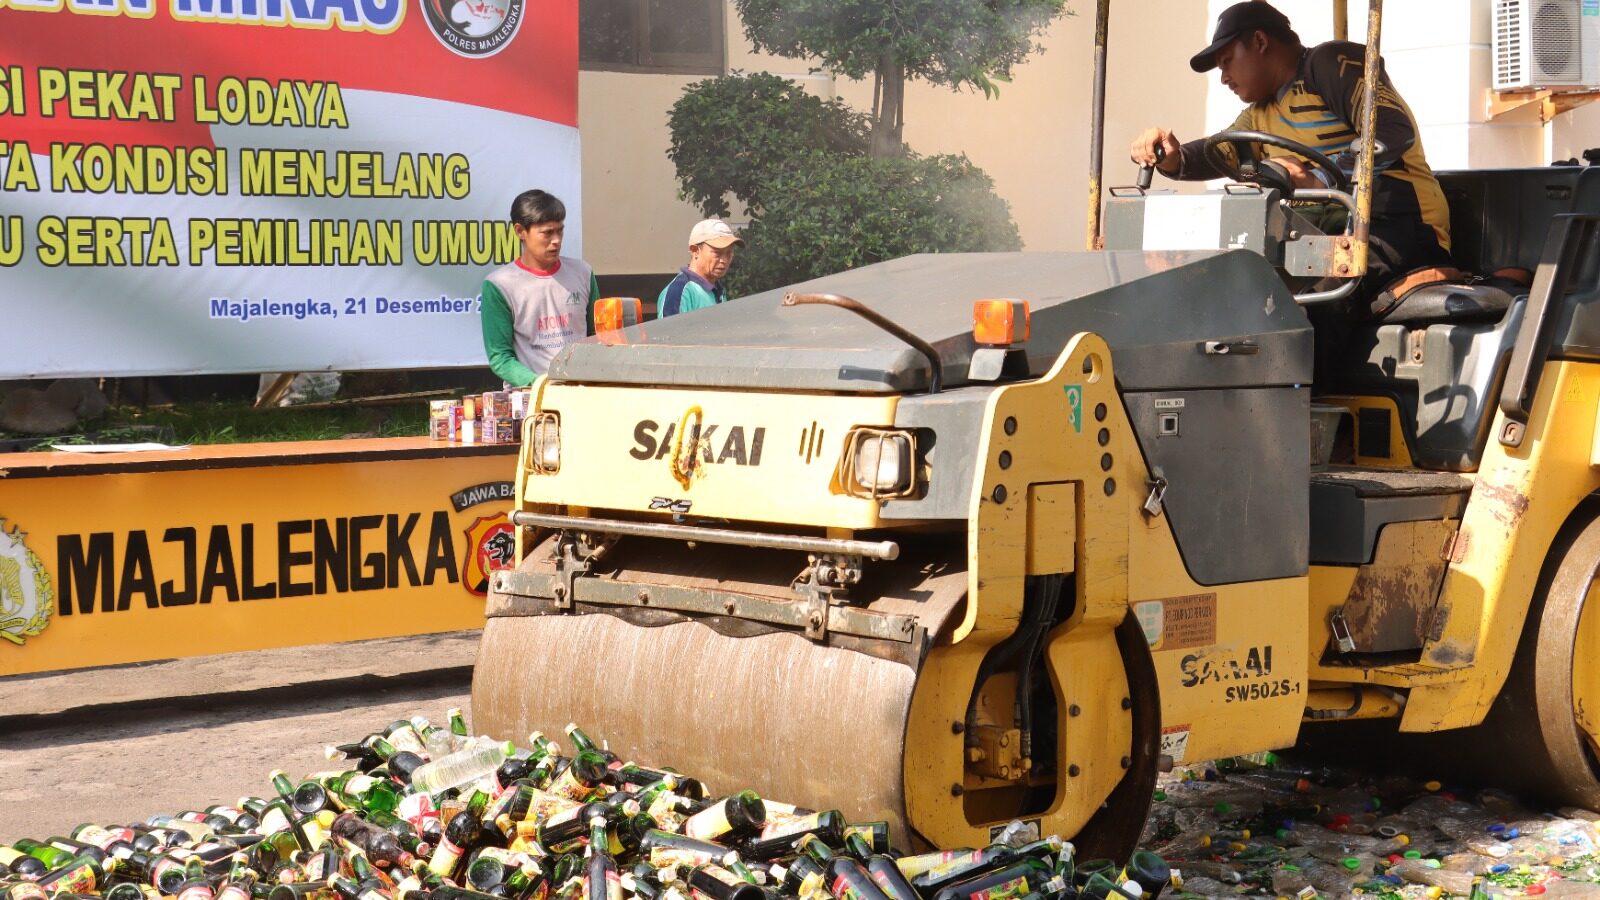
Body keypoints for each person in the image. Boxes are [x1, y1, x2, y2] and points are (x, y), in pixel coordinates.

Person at [1129, 0, 1453, 315]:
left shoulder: (1327, 64)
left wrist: (1321, 180)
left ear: (1259, 41)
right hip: (1327, 238)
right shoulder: (1258, 116)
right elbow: (1215, 153)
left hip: (1400, 225)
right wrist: (1170, 156)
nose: (1224, 77)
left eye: (1227, 61)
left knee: (1312, 305)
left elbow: (1391, 130)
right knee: (1234, 292)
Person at [480, 190, 598, 387]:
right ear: (520, 231)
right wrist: (539, 384)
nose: (556, 240)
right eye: (547, 233)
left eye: (560, 230)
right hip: (530, 399)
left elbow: (597, 336)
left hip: (581, 392)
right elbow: (500, 357)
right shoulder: (499, 285)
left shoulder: (583, 273)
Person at [657, 219, 744, 318]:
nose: (724, 260)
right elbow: (670, 333)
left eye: (729, 253)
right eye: (717, 252)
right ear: (695, 251)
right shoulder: (678, 293)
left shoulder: (717, 288)